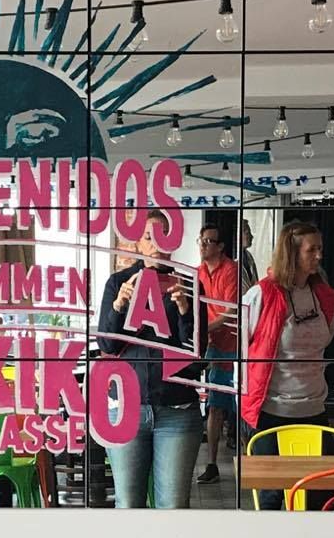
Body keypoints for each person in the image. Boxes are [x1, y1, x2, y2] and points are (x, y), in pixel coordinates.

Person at [96, 208, 204, 508]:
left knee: (173, 506)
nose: (156, 244)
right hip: (127, 409)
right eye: (148, 237)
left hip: (177, 409)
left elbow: (197, 357)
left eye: (163, 236)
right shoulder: (119, 283)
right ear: (137, 243)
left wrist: (184, 311)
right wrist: (119, 306)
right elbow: (106, 343)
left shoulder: (189, 285)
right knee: (128, 503)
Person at [240, 219, 334, 510]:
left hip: (313, 407)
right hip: (271, 411)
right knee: (272, 496)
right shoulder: (261, 295)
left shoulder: (323, 296)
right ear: (292, 253)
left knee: (315, 495)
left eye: (320, 249)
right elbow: (241, 350)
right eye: (312, 250)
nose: (319, 256)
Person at [194, 219, 241, 484]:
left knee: (234, 405)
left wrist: (203, 328)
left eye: (208, 241)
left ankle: (245, 460)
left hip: (232, 344)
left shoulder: (230, 270)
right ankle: (212, 464)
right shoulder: (197, 271)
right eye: (201, 241)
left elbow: (231, 311)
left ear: (221, 246)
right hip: (211, 343)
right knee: (214, 404)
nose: (203, 246)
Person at [238, 218, 259, 292]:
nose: (252, 236)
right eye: (247, 233)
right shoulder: (231, 258)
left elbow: (256, 283)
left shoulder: (249, 256)